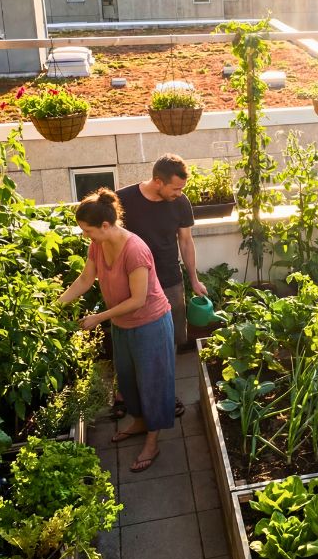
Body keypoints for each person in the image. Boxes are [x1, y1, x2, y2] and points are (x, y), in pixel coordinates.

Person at [56, 189, 174, 473]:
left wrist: (100, 317)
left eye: (87, 230)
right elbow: (86, 278)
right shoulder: (97, 245)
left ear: (106, 225)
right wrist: (56, 304)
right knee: (128, 380)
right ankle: (140, 422)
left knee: (152, 382)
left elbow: (138, 299)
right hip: (123, 325)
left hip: (151, 325)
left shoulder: (135, 250)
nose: (85, 235)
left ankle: (153, 440)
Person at [116, 154, 208, 353]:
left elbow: (185, 241)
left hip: (170, 280)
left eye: (182, 188)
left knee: (171, 338)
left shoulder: (181, 202)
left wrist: (194, 280)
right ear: (158, 181)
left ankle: (168, 380)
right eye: (175, 188)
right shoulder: (122, 199)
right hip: (132, 282)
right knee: (139, 337)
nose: (180, 193)